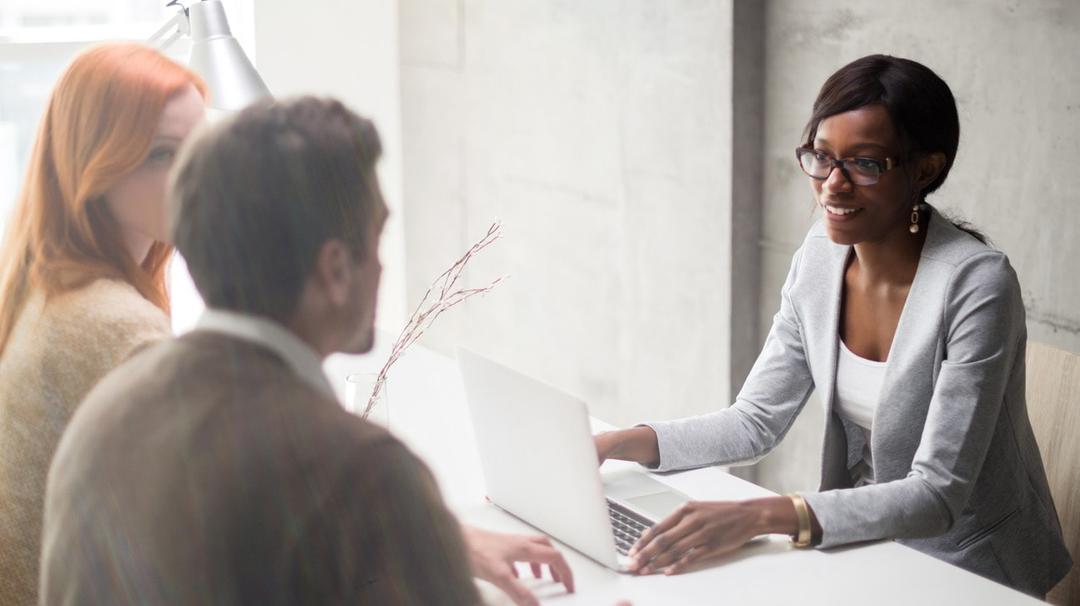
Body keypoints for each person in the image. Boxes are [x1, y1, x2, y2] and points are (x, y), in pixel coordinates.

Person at [41, 96, 576, 606]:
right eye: (377, 236)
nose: (383, 268)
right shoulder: (364, 471)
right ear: (336, 268)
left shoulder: (105, 412)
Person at [595, 54, 1071, 598]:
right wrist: (610, 443)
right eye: (822, 158)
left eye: (864, 164)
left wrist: (758, 516)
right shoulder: (821, 254)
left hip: (970, 566)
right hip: (865, 546)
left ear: (925, 169)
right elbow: (753, 422)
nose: (832, 185)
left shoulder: (978, 285)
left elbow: (937, 493)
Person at [0, 42, 206, 605]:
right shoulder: (114, 327)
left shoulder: (43, 286)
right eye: (163, 154)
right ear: (96, 168)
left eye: (202, 149)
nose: (195, 176)